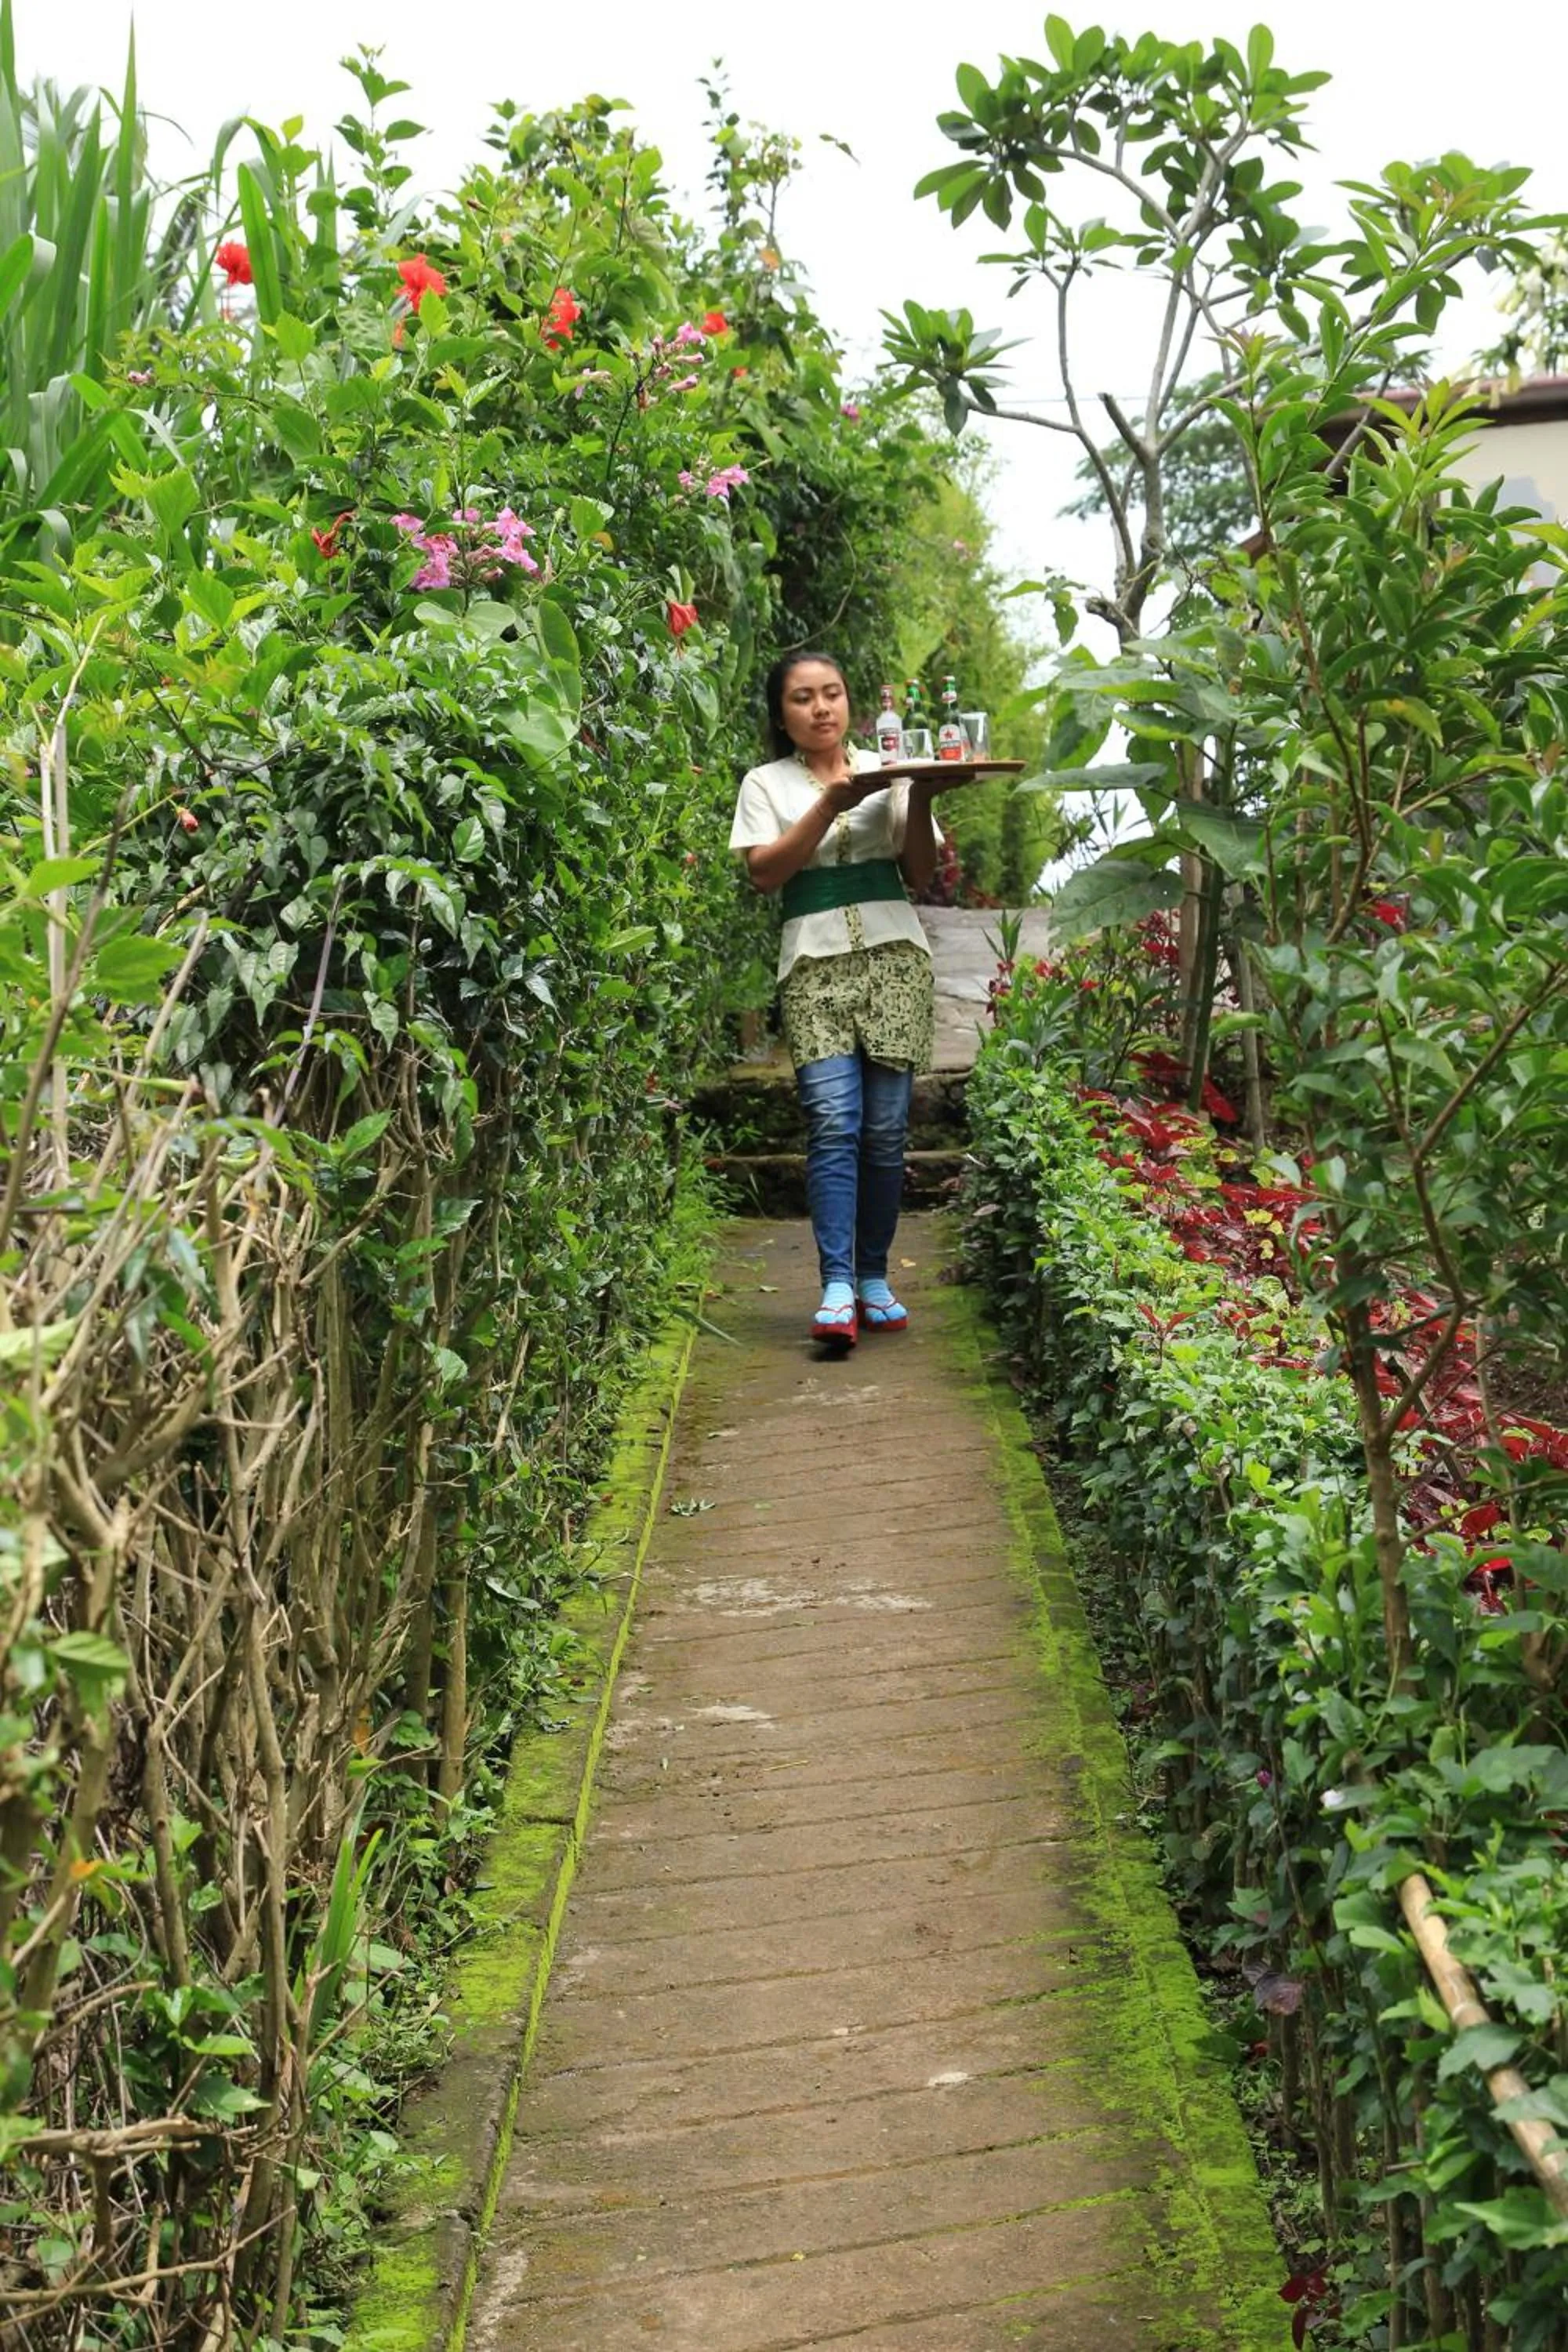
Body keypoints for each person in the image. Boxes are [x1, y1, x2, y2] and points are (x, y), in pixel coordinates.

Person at [729, 648, 949, 1348]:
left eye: (832, 694)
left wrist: (922, 797)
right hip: (813, 966)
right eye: (803, 697)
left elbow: (920, 871)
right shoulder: (764, 784)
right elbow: (765, 874)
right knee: (833, 1121)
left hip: (896, 958)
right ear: (781, 714)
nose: (821, 708)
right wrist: (830, 804)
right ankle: (834, 1285)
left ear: (851, 703)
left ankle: (875, 1277)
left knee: (886, 1130)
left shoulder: (890, 770)